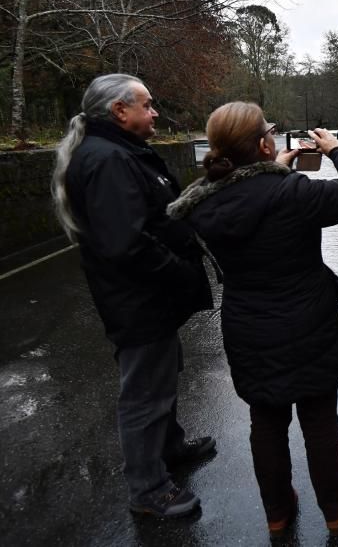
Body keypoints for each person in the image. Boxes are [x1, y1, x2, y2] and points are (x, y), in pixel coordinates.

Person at [166, 102, 338, 537]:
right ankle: (335, 509)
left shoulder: (205, 203)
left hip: (247, 326)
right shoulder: (293, 193)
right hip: (308, 323)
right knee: (318, 418)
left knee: (266, 421)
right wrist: (337, 149)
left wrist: (271, 169)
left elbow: (245, 196)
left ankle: (277, 513)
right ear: (264, 143)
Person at [50, 73, 216, 518]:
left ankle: (171, 447)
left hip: (146, 297)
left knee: (161, 375)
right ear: (119, 111)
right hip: (139, 298)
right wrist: (181, 272)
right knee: (145, 392)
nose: (155, 111)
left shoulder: (118, 151)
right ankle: (148, 489)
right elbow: (127, 243)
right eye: (146, 104)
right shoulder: (107, 160)